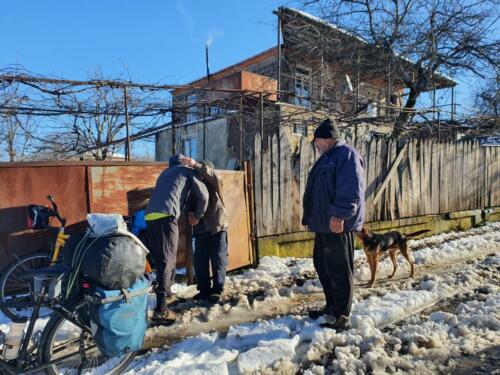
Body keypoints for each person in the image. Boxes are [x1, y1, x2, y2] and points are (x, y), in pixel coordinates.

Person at [302, 118, 365, 330]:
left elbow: (350, 189)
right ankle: (332, 306)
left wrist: (340, 215)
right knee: (323, 265)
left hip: (338, 224)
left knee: (339, 268)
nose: (316, 145)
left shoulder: (346, 155)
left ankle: (342, 315)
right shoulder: (328, 157)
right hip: (323, 225)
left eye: (317, 141)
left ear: (327, 139)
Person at [145, 154, 209, 324]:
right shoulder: (187, 170)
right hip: (166, 216)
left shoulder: (164, 173)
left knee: (161, 258)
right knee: (168, 259)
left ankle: (167, 294)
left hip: (150, 216)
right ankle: (161, 310)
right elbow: (204, 196)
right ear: (183, 163)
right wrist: (197, 216)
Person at [180, 156, 229, 303]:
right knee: (200, 260)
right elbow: (187, 204)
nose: (199, 174)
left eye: (202, 171)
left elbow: (214, 175)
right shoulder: (195, 186)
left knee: (218, 259)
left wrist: (196, 164)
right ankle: (204, 289)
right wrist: (188, 213)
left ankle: (218, 289)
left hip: (217, 226)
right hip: (201, 229)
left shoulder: (215, 184)